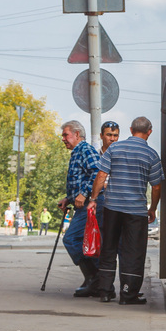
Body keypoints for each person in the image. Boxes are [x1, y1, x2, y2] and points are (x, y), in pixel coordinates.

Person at [88, 116, 163, 305]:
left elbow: (101, 175)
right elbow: (156, 187)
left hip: (111, 207)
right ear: (149, 132)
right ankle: (128, 294)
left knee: (109, 248)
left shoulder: (114, 148)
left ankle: (105, 292)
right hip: (136, 211)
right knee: (133, 252)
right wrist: (153, 208)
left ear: (130, 130)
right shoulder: (151, 155)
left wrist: (94, 199)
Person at [58, 120, 103, 298]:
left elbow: (97, 172)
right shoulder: (77, 152)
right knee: (85, 243)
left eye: (65, 135)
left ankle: (95, 278)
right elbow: (81, 179)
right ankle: (95, 280)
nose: (63, 139)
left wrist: (84, 194)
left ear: (77, 134)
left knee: (71, 239)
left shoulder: (85, 150)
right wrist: (68, 198)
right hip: (82, 204)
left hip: (90, 205)